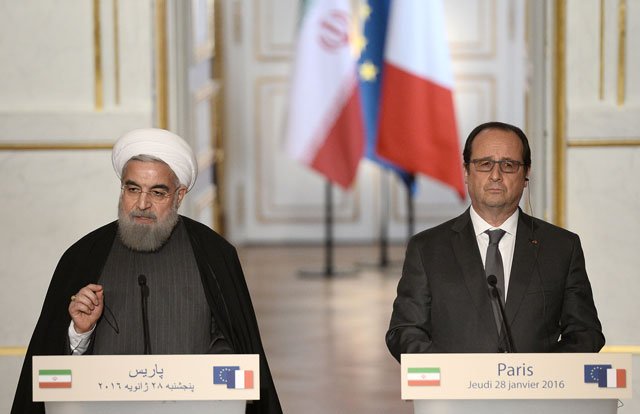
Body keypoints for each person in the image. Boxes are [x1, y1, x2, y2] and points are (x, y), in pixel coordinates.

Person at [12, 128, 282, 414]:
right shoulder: (83, 257)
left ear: (179, 195)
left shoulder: (214, 255)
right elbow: (54, 370)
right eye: (132, 189)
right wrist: (81, 332)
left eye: (157, 192)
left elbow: (233, 351)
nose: (142, 204)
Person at [386, 121, 605, 359]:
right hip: (454, 394)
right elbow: (404, 331)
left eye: (508, 165)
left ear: (526, 174)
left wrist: (541, 375)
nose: (496, 175)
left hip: (536, 394)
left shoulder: (562, 247)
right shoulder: (427, 248)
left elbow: (586, 333)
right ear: (467, 172)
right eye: (485, 164)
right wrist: (451, 375)